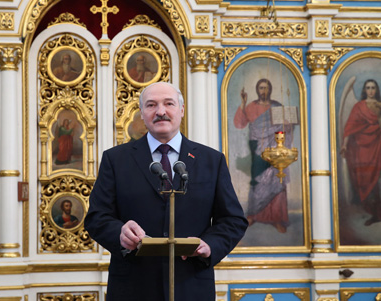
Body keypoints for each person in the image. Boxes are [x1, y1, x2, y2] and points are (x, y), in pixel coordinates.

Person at [85, 82, 248, 300]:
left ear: (181, 110)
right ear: (142, 114)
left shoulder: (211, 160)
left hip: (191, 285)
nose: (160, 111)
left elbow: (233, 220)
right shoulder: (116, 160)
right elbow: (97, 217)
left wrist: (209, 245)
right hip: (133, 288)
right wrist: (120, 233)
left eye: (168, 104)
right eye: (151, 105)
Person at [233, 78, 293, 233]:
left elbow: (285, 127)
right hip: (258, 151)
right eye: (261, 88)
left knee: (277, 181)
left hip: (275, 149)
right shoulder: (251, 107)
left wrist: (288, 123)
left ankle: (277, 218)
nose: (263, 91)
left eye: (266, 88)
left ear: (270, 90)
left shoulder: (277, 107)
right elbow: (239, 124)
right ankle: (254, 215)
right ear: (257, 90)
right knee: (258, 181)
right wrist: (243, 104)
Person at [340, 79, 381, 226]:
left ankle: (378, 213)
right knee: (365, 179)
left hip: (378, 147)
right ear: (365, 90)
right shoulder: (359, 107)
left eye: (373, 88)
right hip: (361, 149)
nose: (370, 90)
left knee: (377, 181)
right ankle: (373, 212)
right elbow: (350, 127)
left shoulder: (379, 106)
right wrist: (344, 145)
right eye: (368, 87)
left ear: (376, 90)